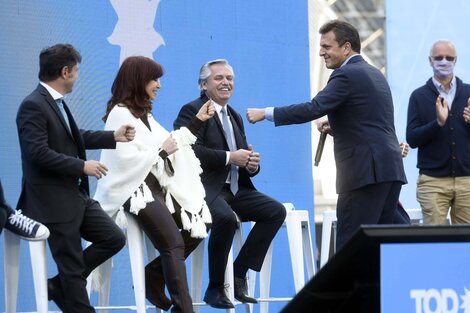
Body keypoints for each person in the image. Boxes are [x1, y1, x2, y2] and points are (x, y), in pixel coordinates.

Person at [246, 20, 406, 250]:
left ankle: (348, 288)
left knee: (351, 246)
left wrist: (266, 113)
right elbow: (368, 121)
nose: (321, 52)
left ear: (347, 47)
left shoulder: (346, 75)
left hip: (364, 174)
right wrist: (337, 125)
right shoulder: (374, 74)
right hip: (389, 171)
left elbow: (313, 108)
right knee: (380, 246)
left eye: (327, 46)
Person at [16, 43, 136, 313]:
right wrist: (81, 166)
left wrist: (111, 136)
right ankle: (70, 292)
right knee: (72, 266)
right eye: (77, 71)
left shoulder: (55, 103)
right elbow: (37, 153)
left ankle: (59, 285)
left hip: (75, 197)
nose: (78, 76)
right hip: (52, 201)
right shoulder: (33, 105)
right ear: (65, 71)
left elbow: (72, 136)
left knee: (113, 238)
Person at [93, 56, 213, 313]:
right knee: (173, 243)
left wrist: (198, 121)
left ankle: (153, 277)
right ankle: (184, 309)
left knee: (200, 225)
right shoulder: (120, 113)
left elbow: (170, 141)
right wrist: (160, 152)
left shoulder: (144, 114)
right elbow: (124, 160)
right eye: (154, 79)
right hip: (131, 189)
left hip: (154, 188)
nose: (158, 85)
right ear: (138, 81)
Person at [174, 59, 286, 309]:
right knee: (224, 219)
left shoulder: (233, 115)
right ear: (203, 85)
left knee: (276, 211)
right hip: (204, 188)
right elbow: (188, 151)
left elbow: (241, 154)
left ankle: (238, 274)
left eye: (230, 78)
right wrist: (229, 157)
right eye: (218, 78)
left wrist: (251, 164)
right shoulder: (192, 109)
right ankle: (215, 288)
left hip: (235, 187)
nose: (226, 82)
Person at [406, 39, 470, 225]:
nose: (444, 61)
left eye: (449, 57)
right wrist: (438, 123)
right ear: (430, 60)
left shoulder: (468, 93)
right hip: (433, 181)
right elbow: (412, 139)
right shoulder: (419, 96)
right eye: (439, 57)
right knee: (434, 239)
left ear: (456, 60)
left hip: (467, 180)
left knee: (466, 241)